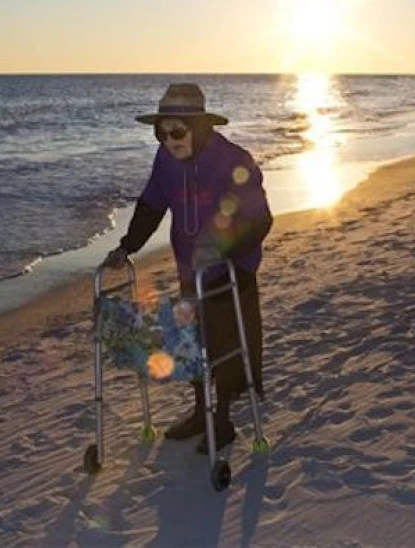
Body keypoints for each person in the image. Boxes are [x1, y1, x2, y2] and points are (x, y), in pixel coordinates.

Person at [104, 83, 273, 454]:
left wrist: (224, 249)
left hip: (233, 271)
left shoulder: (233, 160)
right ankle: (201, 412)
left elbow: (261, 220)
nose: (169, 141)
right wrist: (126, 246)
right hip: (189, 268)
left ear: (199, 128)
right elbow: (151, 206)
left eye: (177, 132)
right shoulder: (165, 161)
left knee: (227, 346)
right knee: (193, 344)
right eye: (161, 133)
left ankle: (223, 419)